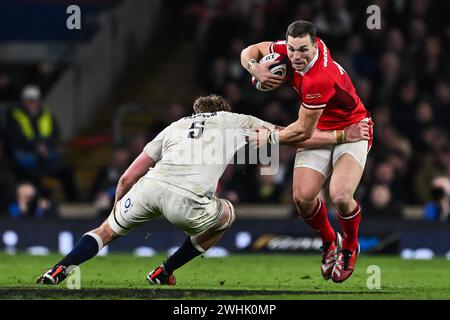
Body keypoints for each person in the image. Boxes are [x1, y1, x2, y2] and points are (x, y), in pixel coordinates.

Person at [36, 94, 368, 286]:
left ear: (197, 113)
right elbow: (294, 134)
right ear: (221, 109)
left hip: (149, 187)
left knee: (105, 231)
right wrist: (342, 137)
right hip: (188, 200)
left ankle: (59, 269)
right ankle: (165, 270)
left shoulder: (175, 126)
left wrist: (119, 210)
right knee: (227, 214)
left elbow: (126, 177)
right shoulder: (234, 120)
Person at [241, 20, 373, 283]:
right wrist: (256, 69)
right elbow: (251, 50)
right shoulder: (288, 51)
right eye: (291, 49)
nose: (296, 57)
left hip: (353, 130)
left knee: (340, 195)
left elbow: (302, 134)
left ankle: (349, 245)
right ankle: (329, 241)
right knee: (302, 198)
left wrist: (271, 137)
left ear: (315, 46)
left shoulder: (318, 78)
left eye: (303, 50)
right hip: (322, 127)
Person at [6, 85, 78, 202]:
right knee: (32, 174)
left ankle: (74, 203)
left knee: (66, 171)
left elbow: (55, 134)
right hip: (26, 155)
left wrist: (45, 147)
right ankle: (39, 204)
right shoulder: (15, 116)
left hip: (46, 155)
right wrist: (36, 147)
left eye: (34, 100)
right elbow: (15, 138)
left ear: (39, 101)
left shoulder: (47, 114)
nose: (32, 103)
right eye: (29, 100)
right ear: (23, 101)